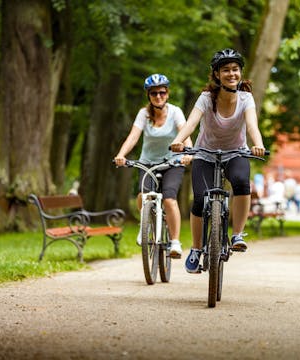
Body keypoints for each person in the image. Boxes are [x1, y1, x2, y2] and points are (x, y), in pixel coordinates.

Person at [170, 48, 266, 273]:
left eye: (235, 69)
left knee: (242, 183)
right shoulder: (206, 98)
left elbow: (252, 125)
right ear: (216, 74)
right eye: (226, 70)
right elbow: (191, 123)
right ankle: (195, 248)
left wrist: (258, 144)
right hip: (205, 153)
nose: (231, 74)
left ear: (240, 72)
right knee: (200, 199)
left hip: (236, 153)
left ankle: (238, 234)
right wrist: (178, 141)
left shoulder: (246, 98)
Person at [114, 74, 192, 258]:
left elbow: (185, 133)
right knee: (143, 196)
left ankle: (174, 241)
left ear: (168, 93)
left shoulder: (175, 112)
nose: (158, 96)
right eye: (154, 93)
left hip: (173, 162)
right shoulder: (144, 114)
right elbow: (133, 137)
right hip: (148, 163)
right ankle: (145, 226)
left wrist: (188, 153)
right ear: (148, 95)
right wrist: (121, 155)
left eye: (162, 92)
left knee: (169, 199)